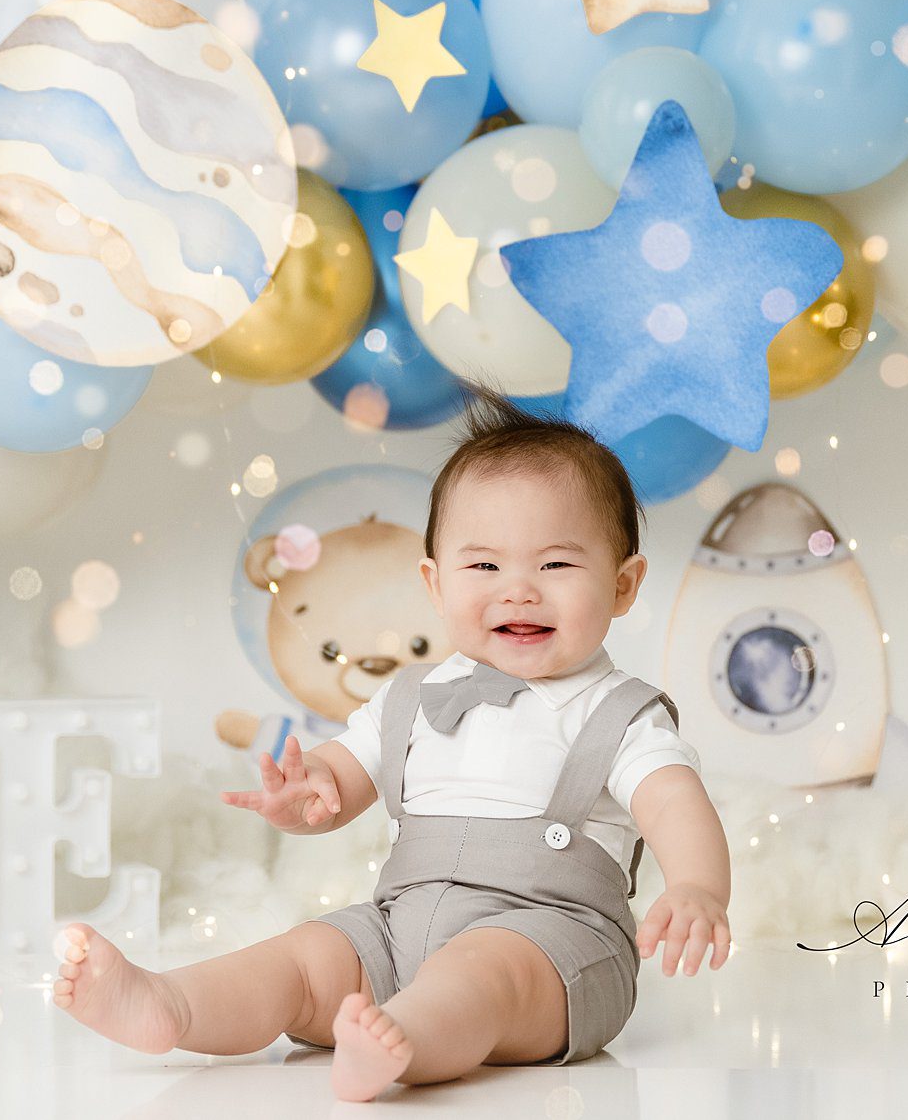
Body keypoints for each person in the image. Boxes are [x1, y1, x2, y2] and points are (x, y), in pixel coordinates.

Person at [52, 385, 733, 1101]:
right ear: (434, 584)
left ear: (623, 585)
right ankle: (173, 1004)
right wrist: (310, 788)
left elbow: (675, 804)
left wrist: (696, 887)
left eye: (556, 565)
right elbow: (343, 778)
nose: (519, 590)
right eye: (484, 566)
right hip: (397, 926)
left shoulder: (621, 712)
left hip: (554, 946)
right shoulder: (412, 693)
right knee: (305, 955)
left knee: (482, 973)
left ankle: (402, 1045)